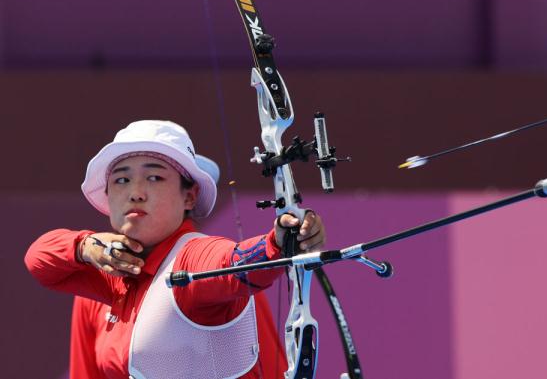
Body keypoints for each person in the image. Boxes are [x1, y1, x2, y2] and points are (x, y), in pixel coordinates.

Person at [25, 120, 326, 379]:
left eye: (154, 177)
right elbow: (38, 260)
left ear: (190, 197)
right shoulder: (98, 275)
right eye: (121, 179)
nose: (135, 193)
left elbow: (235, 263)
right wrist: (84, 247)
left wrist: (277, 243)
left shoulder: (194, 260)